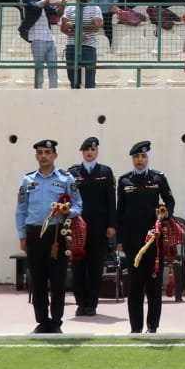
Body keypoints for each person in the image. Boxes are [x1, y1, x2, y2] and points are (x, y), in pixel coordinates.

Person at [15, 139, 82, 334]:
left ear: (55, 155)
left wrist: (68, 211)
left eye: (47, 152)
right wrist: (22, 236)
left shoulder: (65, 179)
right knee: (38, 280)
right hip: (34, 234)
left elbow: (78, 204)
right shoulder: (27, 180)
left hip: (57, 235)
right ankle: (42, 321)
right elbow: (21, 209)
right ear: (36, 156)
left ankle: (56, 321)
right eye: (40, 152)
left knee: (58, 279)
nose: (44, 156)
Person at [114, 141, 177, 333]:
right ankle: (135, 328)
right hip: (132, 242)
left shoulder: (158, 178)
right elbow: (120, 211)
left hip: (154, 241)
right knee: (135, 287)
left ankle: (153, 326)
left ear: (148, 158)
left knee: (153, 286)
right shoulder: (124, 181)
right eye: (136, 157)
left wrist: (165, 214)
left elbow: (170, 201)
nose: (139, 160)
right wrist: (119, 240)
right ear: (132, 159)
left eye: (143, 156)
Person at [66, 136, 116, 319]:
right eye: (86, 150)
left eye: (93, 150)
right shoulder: (72, 172)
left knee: (95, 268)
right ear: (82, 152)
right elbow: (67, 198)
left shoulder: (105, 171)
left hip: (98, 228)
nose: (89, 153)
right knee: (78, 267)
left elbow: (111, 200)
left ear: (97, 152)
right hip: (77, 228)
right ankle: (80, 303)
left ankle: (92, 304)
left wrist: (112, 224)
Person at [60, 0, 102, 89]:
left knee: (90, 81)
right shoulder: (69, 8)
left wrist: (74, 26)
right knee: (74, 81)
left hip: (88, 47)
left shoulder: (95, 8)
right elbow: (64, 28)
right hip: (71, 47)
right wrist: (78, 34)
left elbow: (96, 27)